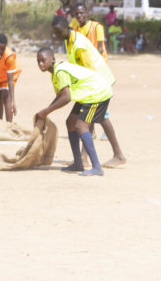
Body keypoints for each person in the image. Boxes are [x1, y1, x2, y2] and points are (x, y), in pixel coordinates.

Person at [51, 15, 126, 167]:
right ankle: (85, 157)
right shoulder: (69, 40)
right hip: (92, 83)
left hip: (98, 82)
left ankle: (117, 155)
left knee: (94, 118)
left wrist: (89, 92)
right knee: (91, 119)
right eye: (54, 33)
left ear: (67, 28)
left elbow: (90, 71)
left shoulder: (77, 44)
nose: (56, 35)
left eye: (58, 32)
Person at [33, 47, 113, 177]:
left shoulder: (59, 71)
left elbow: (66, 98)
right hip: (87, 94)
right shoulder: (54, 74)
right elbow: (60, 96)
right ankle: (78, 163)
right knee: (70, 122)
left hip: (97, 92)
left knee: (81, 126)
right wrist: (45, 112)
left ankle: (97, 167)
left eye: (43, 60)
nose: (40, 64)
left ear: (53, 59)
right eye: (38, 61)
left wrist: (45, 111)